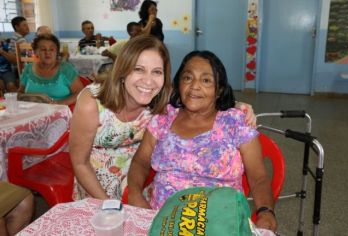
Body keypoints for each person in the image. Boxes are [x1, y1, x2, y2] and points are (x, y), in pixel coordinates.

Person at [69, 35, 256, 201]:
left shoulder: (159, 94)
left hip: (140, 179)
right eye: (139, 69)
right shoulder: (92, 102)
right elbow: (80, 163)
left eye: (157, 72)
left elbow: (200, 95)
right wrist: (108, 205)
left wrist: (238, 106)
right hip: (97, 187)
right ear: (123, 70)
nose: (148, 81)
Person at [127, 50, 277, 232]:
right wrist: (135, 194)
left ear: (219, 89)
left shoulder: (235, 123)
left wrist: (265, 211)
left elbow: (258, 177)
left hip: (219, 222)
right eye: (188, 78)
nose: (195, 87)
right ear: (178, 84)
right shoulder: (163, 118)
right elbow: (141, 161)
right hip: (162, 220)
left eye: (206, 80)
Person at [18, 34, 84, 105]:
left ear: (57, 52)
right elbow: (20, 94)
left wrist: (58, 103)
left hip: (60, 112)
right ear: (35, 52)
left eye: (52, 49)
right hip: (32, 112)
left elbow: (81, 93)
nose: (47, 52)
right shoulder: (28, 69)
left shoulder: (66, 69)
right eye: (43, 49)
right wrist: (37, 97)